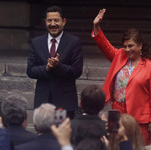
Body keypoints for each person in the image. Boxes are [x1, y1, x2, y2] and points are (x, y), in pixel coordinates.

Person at [92, 9, 151, 145]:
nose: (127, 49)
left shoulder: (149, 66)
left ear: (140, 45)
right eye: (125, 46)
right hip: (117, 111)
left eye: (131, 46)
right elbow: (105, 46)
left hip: (139, 116)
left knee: (137, 146)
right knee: (115, 144)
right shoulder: (119, 56)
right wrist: (96, 26)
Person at [26, 5, 83, 119]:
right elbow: (30, 70)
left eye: (56, 20)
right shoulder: (36, 42)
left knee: (61, 135)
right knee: (43, 135)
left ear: (64, 21)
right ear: (45, 22)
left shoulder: (74, 42)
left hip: (64, 102)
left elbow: (77, 71)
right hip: (43, 102)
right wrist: (46, 68)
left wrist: (58, 66)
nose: (53, 24)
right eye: (49, 20)